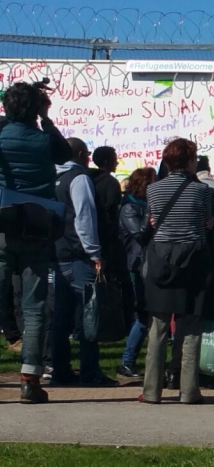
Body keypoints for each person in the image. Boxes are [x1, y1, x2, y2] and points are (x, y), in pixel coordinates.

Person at [0, 81, 73, 403]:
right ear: (37, 109)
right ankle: (30, 378)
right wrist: (45, 116)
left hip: (1, 226)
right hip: (37, 228)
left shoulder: (2, 135)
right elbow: (66, 152)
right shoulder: (46, 141)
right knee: (34, 306)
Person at [140, 139, 214, 405]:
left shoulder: (153, 190)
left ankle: (151, 390)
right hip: (194, 261)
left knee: (158, 328)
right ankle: (189, 390)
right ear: (190, 160)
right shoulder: (204, 191)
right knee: (190, 327)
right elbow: (207, 224)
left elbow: (152, 220)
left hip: (161, 261)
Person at [51, 138, 116, 386]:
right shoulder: (78, 178)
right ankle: (89, 371)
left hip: (58, 252)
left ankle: (60, 370)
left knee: (61, 318)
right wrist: (95, 253)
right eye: (87, 154)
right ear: (79, 154)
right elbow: (84, 218)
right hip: (79, 255)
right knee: (90, 315)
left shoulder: (53, 178)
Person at [117, 167, 157, 379]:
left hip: (147, 263)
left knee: (147, 314)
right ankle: (127, 360)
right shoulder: (130, 208)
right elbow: (139, 235)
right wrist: (151, 218)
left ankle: (132, 360)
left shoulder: (140, 206)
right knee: (142, 314)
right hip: (137, 264)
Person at [88, 146, 132, 333]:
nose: (117, 162)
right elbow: (111, 215)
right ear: (106, 161)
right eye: (115, 159)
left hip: (90, 238)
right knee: (119, 286)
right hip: (109, 241)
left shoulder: (86, 180)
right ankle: (119, 323)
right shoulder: (110, 183)